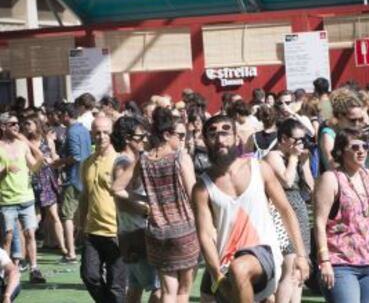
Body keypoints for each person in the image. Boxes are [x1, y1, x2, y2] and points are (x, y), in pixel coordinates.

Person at [193, 115, 309, 303]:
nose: (220, 139)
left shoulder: (260, 168)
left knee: (240, 268)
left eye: (225, 132)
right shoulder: (202, 187)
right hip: (226, 262)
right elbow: (205, 236)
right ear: (205, 140)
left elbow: (285, 210)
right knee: (217, 288)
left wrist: (301, 256)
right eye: (213, 133)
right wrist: (216, 276)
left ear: (237, 137)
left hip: (265, 252)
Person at [114, 107, 199, 302]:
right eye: (179, 135)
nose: (181, 139)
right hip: (184, 228)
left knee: (168, 291)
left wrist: (148, 200)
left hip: (156, 232)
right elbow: (193, 193)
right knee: (183, 292)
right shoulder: (180, 157)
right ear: (167, 134)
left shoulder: (143, 160)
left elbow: (117, 188)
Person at [314, 128, 369, 303]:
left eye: (365, 146)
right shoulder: (331, 179)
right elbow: (319, 223)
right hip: (341, 263)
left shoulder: (366, 175)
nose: (361, 151)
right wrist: (325, 261)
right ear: (341, 150)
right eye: (355, 147)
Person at [111, 116, 161, 303]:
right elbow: (120, 198)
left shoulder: (129, 160)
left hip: (130, 233)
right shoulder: (124, 162)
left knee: (135, 287)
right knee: (161, 289)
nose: (145, 140)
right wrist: (147, 208)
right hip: (137, 233)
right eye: (141, 137)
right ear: (127, 138)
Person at [265, 119, 314, 303]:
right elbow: (286, 181)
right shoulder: (273, 157)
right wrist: (293, 159)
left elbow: (310, 188)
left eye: (304, 140)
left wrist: (305, 163)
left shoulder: (296, 157)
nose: (301, 144)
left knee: (301, 270)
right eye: (297, 139)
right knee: (290, 268)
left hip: (300, 212)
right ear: (284, 138)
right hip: (282, 215)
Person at [79, 117, 126, 303]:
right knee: (90, 277)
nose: (101, 136)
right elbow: (84, 196)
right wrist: (80, 225)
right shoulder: (87, 163)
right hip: (92, 231)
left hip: (116, 232)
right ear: (92, 134)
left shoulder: (120, 161)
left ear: (112, 133)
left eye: (106, 132)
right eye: (97, 132)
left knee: (117, 286)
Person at [0, 113, 46, 283]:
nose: (17, 127)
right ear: (3, 127)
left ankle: (34, 269)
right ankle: (4, 271)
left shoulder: (22, 145)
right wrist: (5, 170)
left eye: (17, 123)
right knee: (7, 236)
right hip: (6, 200)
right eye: (12, 124)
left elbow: (34, 166)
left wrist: (31, 146)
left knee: (30, 233)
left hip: (26, 197)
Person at [22, 114, 67, 257]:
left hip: (47, 179)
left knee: (54, 215)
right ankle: (27, 250)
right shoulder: (24, 142)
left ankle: (64, 248)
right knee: (35, 218)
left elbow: (54, 156)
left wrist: (56, 161)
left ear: (36, 124)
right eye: (25, 124)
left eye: (29, 123)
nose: (26, 126)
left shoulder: (46, 139)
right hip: (32, 180)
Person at [56, 103, 92, 262]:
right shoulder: (83, 130)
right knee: (80, 215)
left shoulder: (71, 132)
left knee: (67, 216)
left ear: (65, 114)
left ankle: (71, 252)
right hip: (85, 177)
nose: (57, 118)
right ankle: (78, 247)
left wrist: (59, 162)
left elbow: (76, 156)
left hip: (73, 178)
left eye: (59, 114)